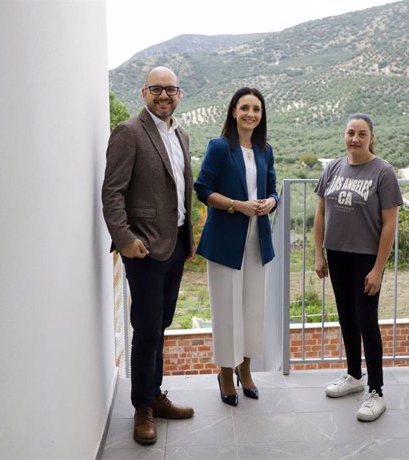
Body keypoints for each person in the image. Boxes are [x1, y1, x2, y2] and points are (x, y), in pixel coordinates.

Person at [102, 66, 195, 445]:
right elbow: (112, 192)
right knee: (146, 329)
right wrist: (124, 239)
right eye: (156, 89)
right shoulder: (128, 133)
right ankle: (142, 407)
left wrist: (187, 239)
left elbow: (180, 191)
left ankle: (155, 394)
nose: (163, 96)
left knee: (162, 324)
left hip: (173, 244)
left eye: (170, 90)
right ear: (144, 93)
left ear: (179, 94)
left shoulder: (181, 134)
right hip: (142, 249)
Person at [313, 113, 402, 422]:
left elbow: (390, 223)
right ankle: (354, 376)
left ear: (371, 137)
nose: (355, 138)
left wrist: (378, 268)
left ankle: (376, 391)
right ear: (344, 135)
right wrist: (318, 254)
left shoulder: (383, 172)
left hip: (366, 257)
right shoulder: (333, 168)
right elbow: (322, 211)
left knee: (366, 320)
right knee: (347, 318)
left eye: (362, 133)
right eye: (350, 133)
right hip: (337, 254)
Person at [193, 87, 278, 406]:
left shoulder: (264, 150)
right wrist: (235, 205)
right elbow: (203, 189)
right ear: (233, 111)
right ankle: (226, 373)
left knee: (253, 309)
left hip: (259, 239)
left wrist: (270, 202)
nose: (251, 114)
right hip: (226, 241)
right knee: (227, 311)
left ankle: (246, 370)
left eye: (257, 109)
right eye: (245, 108)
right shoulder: (218, 147)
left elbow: (273, 190)